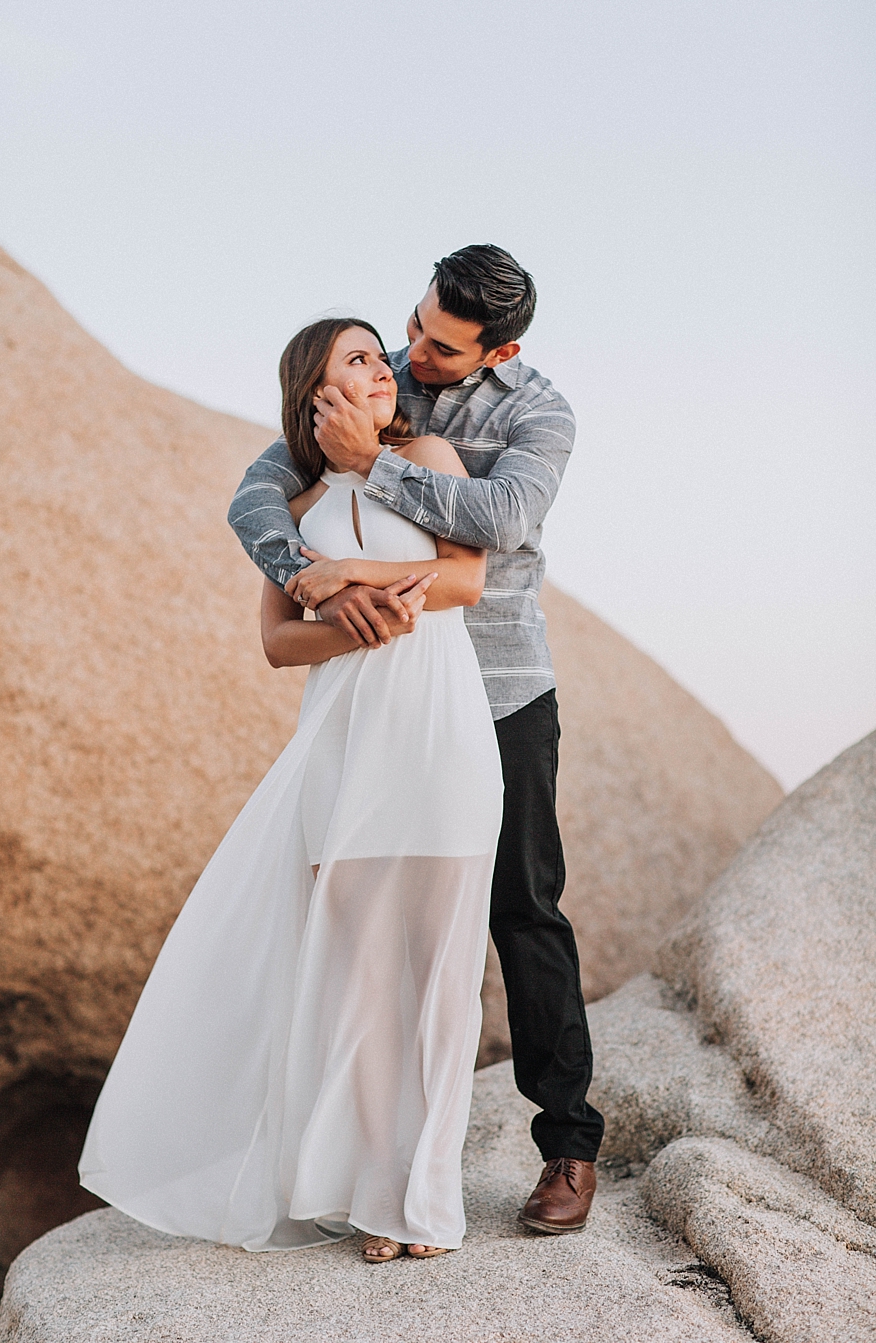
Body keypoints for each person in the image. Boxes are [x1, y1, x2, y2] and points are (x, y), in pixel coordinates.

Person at [79, 317, 502, 1260]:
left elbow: (468, 580)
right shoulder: (291, 506)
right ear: (314, 394)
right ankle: (370, 1194)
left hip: (440, 735)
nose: (382, 370)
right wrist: (347, 615)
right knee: (356, 982)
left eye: (377, 358)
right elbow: (277, 643)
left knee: (440, 977)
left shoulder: (429, 454)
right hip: (341, 747)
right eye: (356, 361)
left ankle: (425, 1199)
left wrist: (347, 574)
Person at [227, 245, 602, 1235]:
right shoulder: (372, 374)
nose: (413, 354)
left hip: (501, 690)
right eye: (415, 325)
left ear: (501, 346)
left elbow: (503, 521)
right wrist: (301, 571)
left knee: (523, 910)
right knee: (364, 929)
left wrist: (371, 465)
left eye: (440, 345)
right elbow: (257, 492)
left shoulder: (536, 412)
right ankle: (373, 1167)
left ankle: (567, 1142)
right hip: (387, 698)